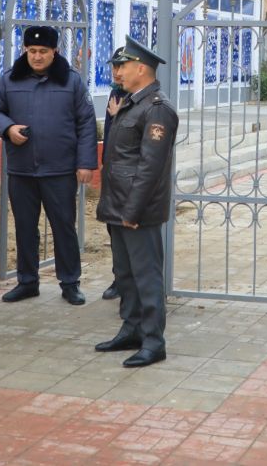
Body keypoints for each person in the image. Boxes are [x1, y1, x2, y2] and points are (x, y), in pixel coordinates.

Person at [0, 25, 97, 305]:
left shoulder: (71, 81)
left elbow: (86, 123)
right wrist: (8, 128)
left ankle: (70, 282)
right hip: (22, 169)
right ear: (25, 49)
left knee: (63, 227)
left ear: (54, 51)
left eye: (43, 51)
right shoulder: (10, 79)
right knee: (24, 228)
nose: (37, 56)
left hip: (60, 170)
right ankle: (27, 281)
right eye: (32, 50)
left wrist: (85, 163)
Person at [94, 35, 178, 368]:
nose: (118, 72)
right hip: (118, 204)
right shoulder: (131, 103)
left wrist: (132, 210)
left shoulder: (157, 109)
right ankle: (131, 330)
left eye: (123, 66)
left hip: (137, 209)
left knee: (146, 276)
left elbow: (150, 168)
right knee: (125, 274)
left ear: (140, 68)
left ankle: (154, 341)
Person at [101, 53, 131, 302]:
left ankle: (133, 282)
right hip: (112, 173)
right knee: (115, 230)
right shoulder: (116, 93)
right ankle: (120, 279)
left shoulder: (142, 98)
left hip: (132, 177)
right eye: (114, 66)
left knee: (132, 232)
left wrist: (121, 115)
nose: (117, 71)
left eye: (122, 66)